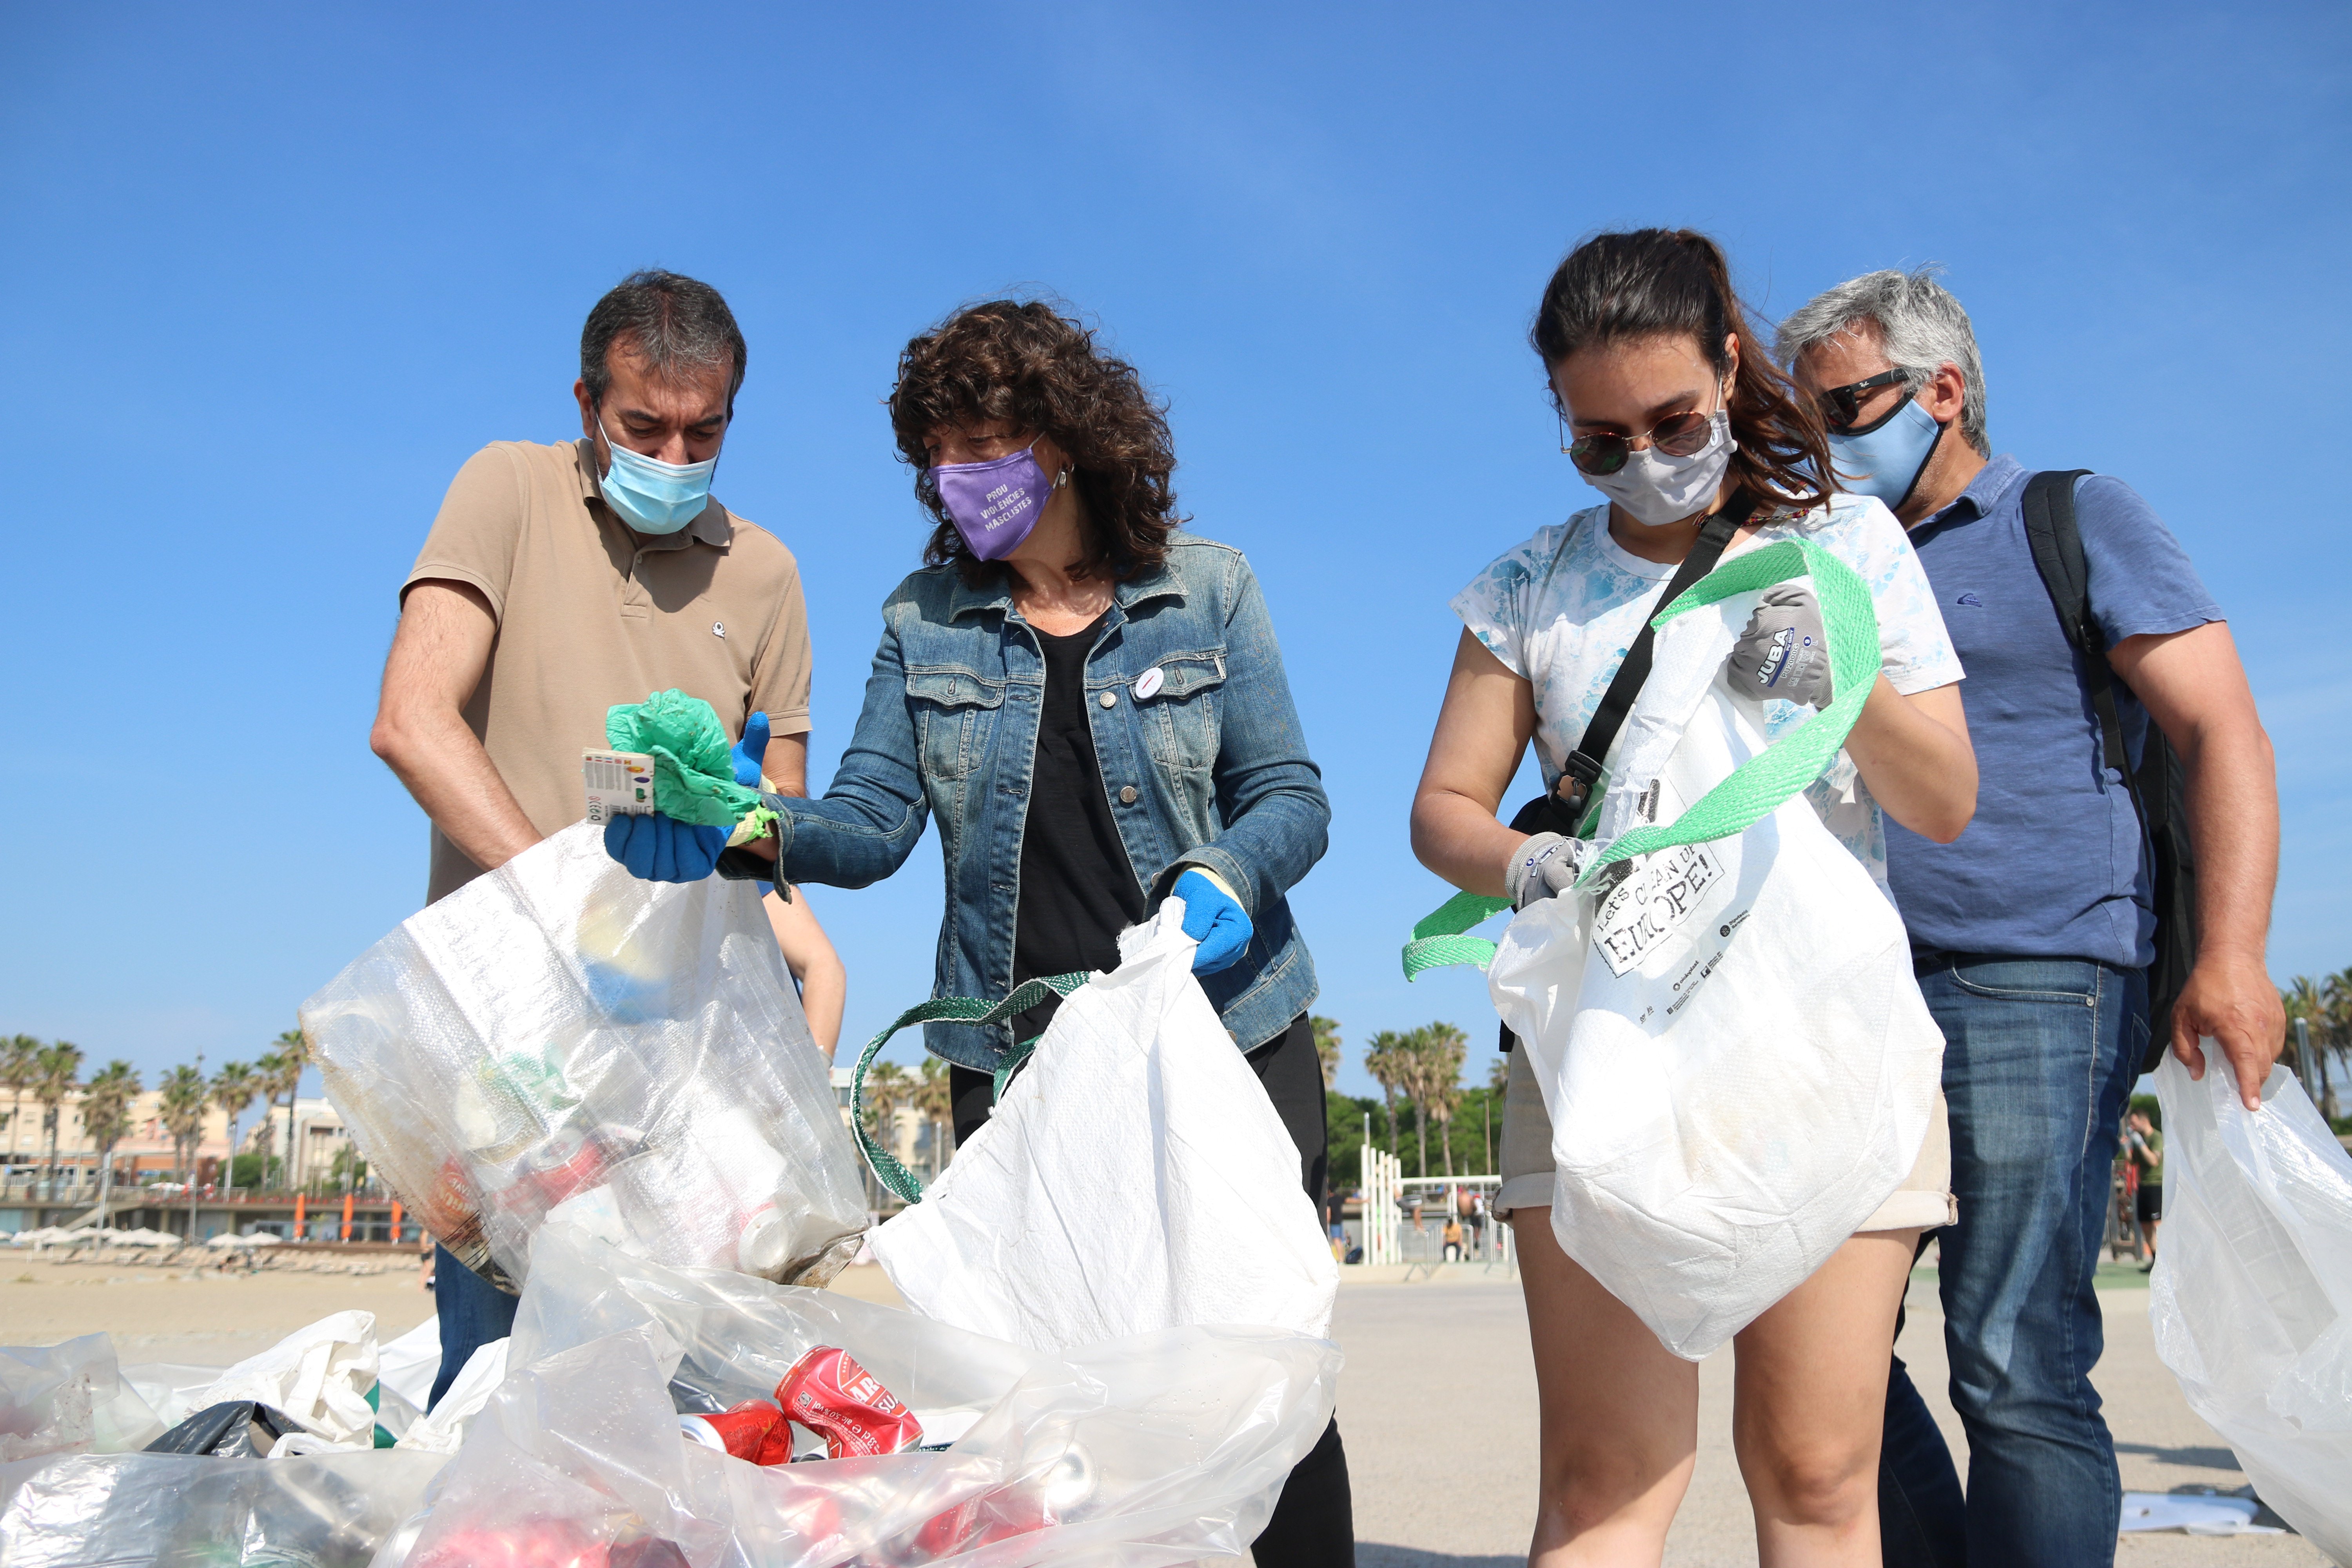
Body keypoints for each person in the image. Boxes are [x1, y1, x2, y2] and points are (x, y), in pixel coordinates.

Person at [604, 298, 1352, 1563]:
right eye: (937, 457)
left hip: (1228, 1038)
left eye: (985, 448)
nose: (959, 480)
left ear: (1065, 441)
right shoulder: (923, 620)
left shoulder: (1206, 589)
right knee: (1057, 1406)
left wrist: (1227, 876)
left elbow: (1291, 794)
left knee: (1264, 1385)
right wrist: (742, 827)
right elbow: (873, 821)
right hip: (1019, 1071)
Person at [1411, 229, 1978, 1565]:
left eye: (1671, 419)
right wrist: (1523, 862)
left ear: (1732, 364)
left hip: (1817, 1040)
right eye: (1599, 439)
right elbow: (1445, 812)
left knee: (1817, 1472)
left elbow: (1945, 797)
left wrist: (1841, 678)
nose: (1643, 457)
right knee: (1606, 1481)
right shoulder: (1529, 586)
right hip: (1602, 1047)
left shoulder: (1850, 543)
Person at [1779, 267, 2281, 1568]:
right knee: (1807, 1343)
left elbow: (2220, 727)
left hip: (2037, 971)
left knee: (2013, 1350)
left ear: (1942, 391)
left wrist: (2230, 956)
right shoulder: (1816, 559)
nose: (1822, 445)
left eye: (1844, 409)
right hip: (1848, 984)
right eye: (1803, 420)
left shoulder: (2073, 517)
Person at [370, 269, 845, 1410]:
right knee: (495, 1409)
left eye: (705, 430)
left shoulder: (768, 574)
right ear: (588, 402)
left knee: (694, 1427)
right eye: (644, 426)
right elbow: (413, 719)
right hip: (511, 1061)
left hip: (690, 1085)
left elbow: (780, 823)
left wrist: (747, 819)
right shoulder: (508, 490)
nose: (675, 455)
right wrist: (566, 899)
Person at [2124, 1111, 2163, 1268]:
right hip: (2143, 1185)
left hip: (2156, 1184)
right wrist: (2127, 1147)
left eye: (2134, 1123)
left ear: (2144, 1121)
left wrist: (2141, 1144)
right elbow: (2132, 1162)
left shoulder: (2156, 1138)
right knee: (2145, 1224)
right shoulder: (2138, 1139)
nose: (2132, 1127)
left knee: (2157, 1224)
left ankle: (2164, 1261)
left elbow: (2154, 1161)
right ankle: (2155, 1260)